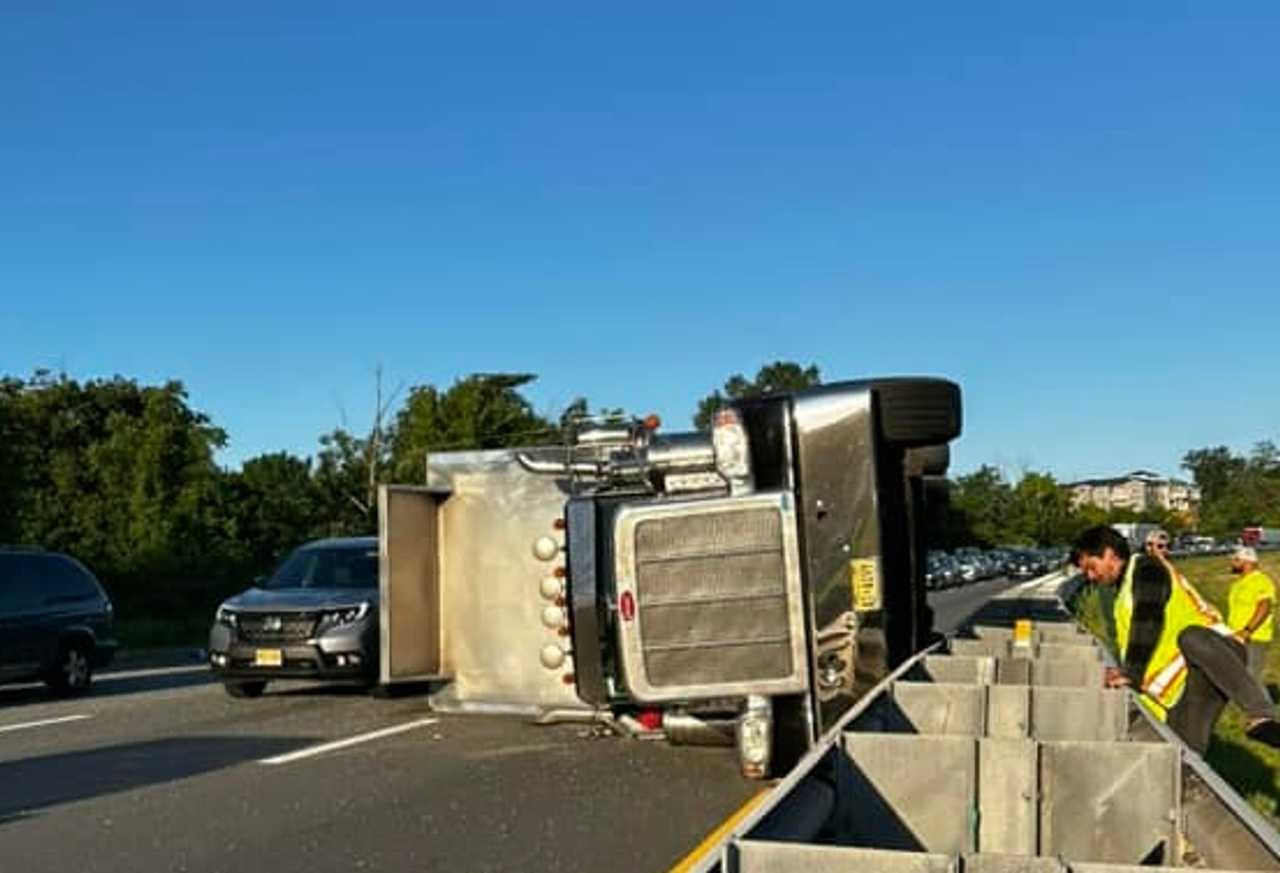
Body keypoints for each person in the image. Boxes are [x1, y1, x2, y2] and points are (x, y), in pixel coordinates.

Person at [1071, 524, 1280, 754]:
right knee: (1184, 754)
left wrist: (1130, 673)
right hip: (1181, 683)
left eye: (1092, 567)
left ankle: (1262, 715)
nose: (1091, 576)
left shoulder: (1147, 568)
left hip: (1212, 654)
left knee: (1190, 636)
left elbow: (1148, 618)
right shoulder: (1122, 592)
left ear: (1110, 553)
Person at [1227, 545, 1275, 681]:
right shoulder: (1238, 584)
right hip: (1236, 636)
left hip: (1254, 637)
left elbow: (1264, 607)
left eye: (1236, 560)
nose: (1232, 563)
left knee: (1251, 680)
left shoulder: (1261, 581)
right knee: (1241, 678)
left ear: (1247, 562)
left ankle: (1263, 703)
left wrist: (1248, 630)